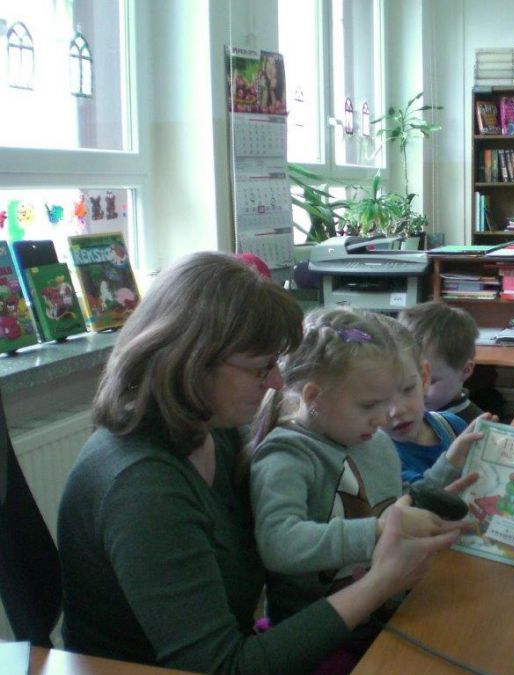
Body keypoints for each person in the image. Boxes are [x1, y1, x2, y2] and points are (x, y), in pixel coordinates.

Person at [57, 252, 460, 674]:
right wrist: (380, 583)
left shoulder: (213, 429)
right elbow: (225, 668)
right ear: (194, 360)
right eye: (260, 368)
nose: (276, 382)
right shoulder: (142, 488)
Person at [248, 308, 480, 635]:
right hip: (321, 634)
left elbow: (390, 502)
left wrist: (435, 488)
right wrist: (379, 531)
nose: (384, 418)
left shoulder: (372, 440)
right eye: (369, 406)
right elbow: (279, 543)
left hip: (387, 613)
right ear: (314, 397)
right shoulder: (287, 455)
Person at [378, 310, 495, 483]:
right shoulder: (379, 457)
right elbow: (416, 497)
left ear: (424, 377)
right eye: (378, 400)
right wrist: (450, 464)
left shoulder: (453, 424)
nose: (397, 411)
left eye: (408, 389)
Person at [398, 300, 485, 423]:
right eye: (408, 382)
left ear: (465, 371)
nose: (417, 391)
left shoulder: (476, 426)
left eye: (431, 381)